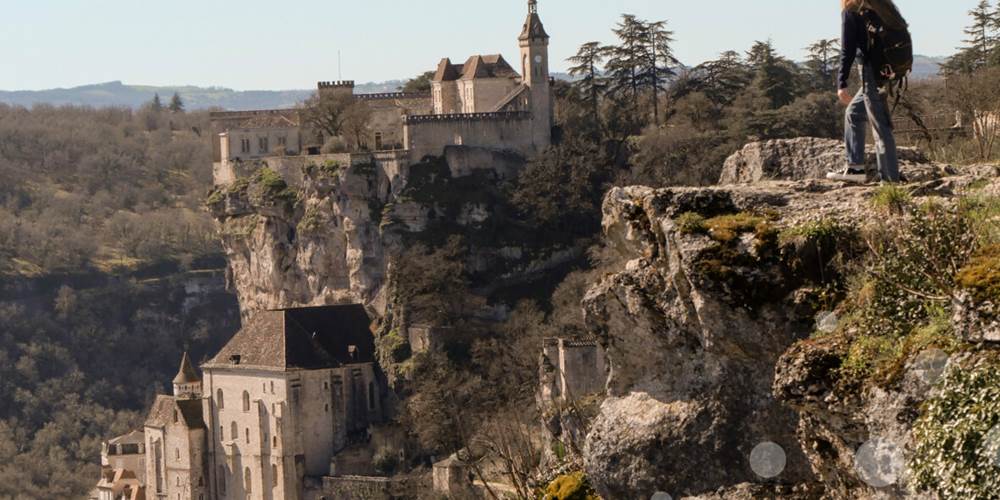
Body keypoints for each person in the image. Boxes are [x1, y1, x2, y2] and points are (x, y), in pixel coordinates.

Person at [827, 0, 908, 184]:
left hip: (871, 70)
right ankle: (855, 167)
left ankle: (890, 179)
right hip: (889, 70)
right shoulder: (882, 5)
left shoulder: (851, 10)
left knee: (880, 125)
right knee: (854, 113)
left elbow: (847, 49)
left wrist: (841, 83)